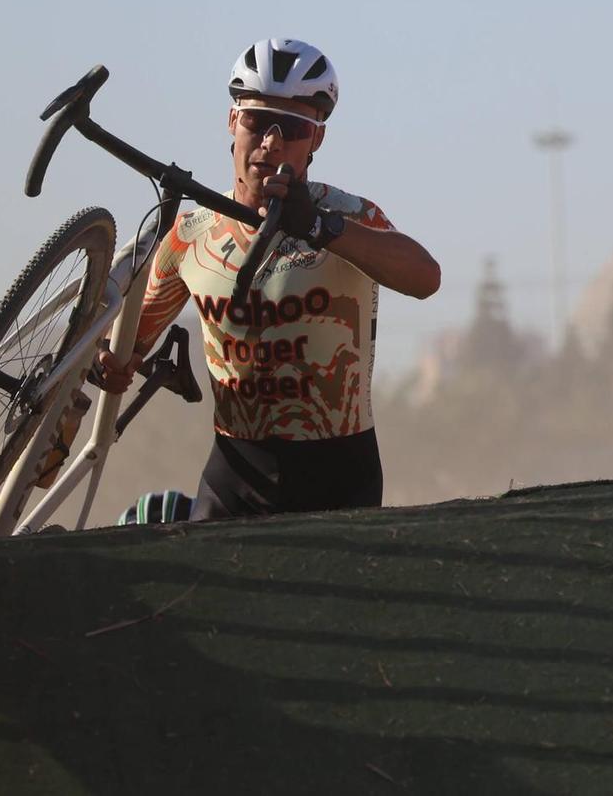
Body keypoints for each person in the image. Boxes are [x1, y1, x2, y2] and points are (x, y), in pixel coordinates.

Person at [96, 39, 440, 520]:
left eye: (294, 128)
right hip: (234, 473)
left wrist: (323, 229)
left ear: (316, 140)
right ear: (233, 122)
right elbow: (126, 349)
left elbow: (426, 278)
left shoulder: (350, 214)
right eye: (257, 121)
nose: (271, 142)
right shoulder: (190, 236)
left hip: (340, 472)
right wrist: (112, 364)